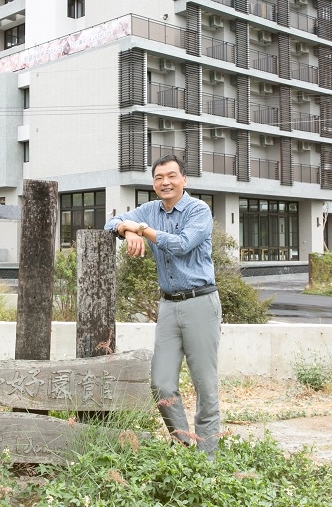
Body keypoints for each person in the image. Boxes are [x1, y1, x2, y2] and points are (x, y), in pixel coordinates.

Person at [104, 154, 221, 455]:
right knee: (161, 383)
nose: (165, 182)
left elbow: (181, 244)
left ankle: (207, 458)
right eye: (159, 178)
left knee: (205, 386)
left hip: (200, 302)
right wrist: (128, 229)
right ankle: (183, 447)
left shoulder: (199, 210)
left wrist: (141, 230)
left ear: (184, 179)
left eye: (171, 176)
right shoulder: (150, 211)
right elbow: (111, 222)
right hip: (168, 306)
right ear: (153, 183)